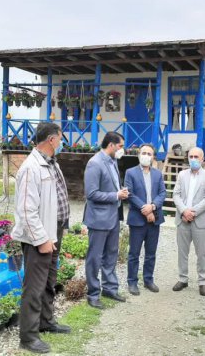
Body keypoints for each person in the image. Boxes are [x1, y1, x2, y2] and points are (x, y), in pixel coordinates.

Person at [12, 122, 71, 354]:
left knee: (49, 282)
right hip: (39, 235)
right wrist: (41, 239)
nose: (62, 142)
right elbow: (26, 211)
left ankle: (46, 322)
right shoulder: (31, 167)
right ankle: (28, 337)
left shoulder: (51, 163)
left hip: (53, 230)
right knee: (34, 287)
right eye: (60, 138)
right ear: (51, 140)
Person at [84, 131, 128, 309]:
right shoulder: (94, 163)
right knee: (95, 258)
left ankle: (109, 288)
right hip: (99, 219)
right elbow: (91, 193)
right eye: (120, 146)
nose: (122, 150)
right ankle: (93, 294)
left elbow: (111, 185)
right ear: (111, 145)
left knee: (111, 254)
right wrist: (115, 195)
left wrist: (120, 191)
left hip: (113, 216)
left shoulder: (113, 161)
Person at [172, 147, 205, 296]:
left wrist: (192, 212)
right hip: (182, 219)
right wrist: (184, 211)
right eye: (191, 156)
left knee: (202, 253)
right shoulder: (182, 175)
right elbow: (176, 195)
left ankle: (203, 282)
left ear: (202, 159)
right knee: (182, 252)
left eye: (197, 156)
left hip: (200, 221)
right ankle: (182, 279)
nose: (193, 159)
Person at [124, 143, 166, 295]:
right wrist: (145, 209)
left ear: (153, 156)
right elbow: (129, 194)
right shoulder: (130, 172)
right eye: (144, 153)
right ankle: (132, 282)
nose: (146, 156)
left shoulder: (157, 174)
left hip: (154, 219)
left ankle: (148, 280)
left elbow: (162, 193)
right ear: (138, 154)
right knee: (134, 253)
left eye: (149, 153)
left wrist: (153, 206)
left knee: (151, 253)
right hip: (137, 219)